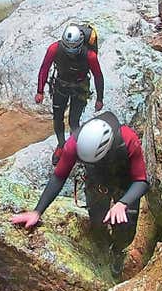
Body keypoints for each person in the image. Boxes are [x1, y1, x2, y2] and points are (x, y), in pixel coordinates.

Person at [10, 111, 149, 278]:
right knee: (97, 221)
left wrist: (123, 202)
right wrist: (37, 211)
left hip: (126, 182)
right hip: (97, 182)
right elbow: (59, 176)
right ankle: (103, 244)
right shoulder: (74, 144)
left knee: (126, 228)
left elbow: (141, 181)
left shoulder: (128, 139)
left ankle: (118, 250)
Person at [35, 24, 104, 165]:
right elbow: (44, 68)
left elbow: (98, 76)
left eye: (74, 49)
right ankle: (61, 145)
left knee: (74, 120)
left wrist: (100, 98)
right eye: (68, 49)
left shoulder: (90, 56)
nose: (71, 52)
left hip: (80, 87)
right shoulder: (54, 49)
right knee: (57, 117)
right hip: (61, 84)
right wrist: (40, 91)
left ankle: (74, 146)